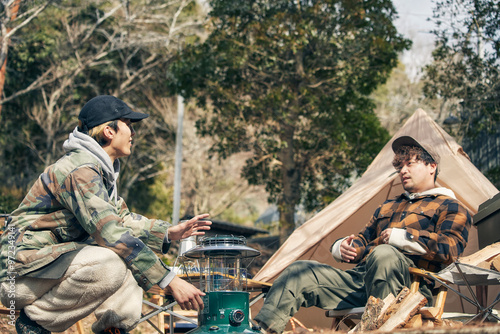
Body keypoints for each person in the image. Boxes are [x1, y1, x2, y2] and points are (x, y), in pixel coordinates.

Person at [0, 95, 212, 334]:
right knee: (114, 258)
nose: (133, 133)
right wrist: (169, 281)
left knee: (130, 254)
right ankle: (36, 324)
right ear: (109, 131)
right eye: (129, 126)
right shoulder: (80, 171)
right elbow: (111, 233)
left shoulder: (101, 172)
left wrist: (168, 232)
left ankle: (113, 329)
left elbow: (121, 220)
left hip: (49, 268)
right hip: (20, 276)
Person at [254, 135, 472, 333]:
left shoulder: (451, 206)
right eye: (399, 166)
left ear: (431, 166)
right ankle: (262, 329)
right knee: (300, 270)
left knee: (384, 254)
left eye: (410, 164)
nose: (403, 171)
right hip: (362, 280)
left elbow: (450, 248)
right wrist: (343, 246)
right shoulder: (388, 206)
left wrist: (403, 237)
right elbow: (362, 239)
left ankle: (378, 328)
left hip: (409, 288)